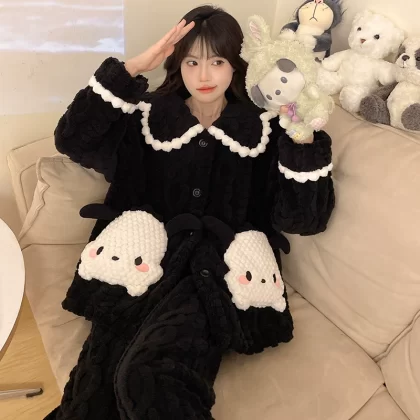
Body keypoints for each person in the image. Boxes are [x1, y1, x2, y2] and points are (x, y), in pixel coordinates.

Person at [45, 5, 335, 420]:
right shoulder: (146, 117)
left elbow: (304, 219)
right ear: (177, 64)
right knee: (91, 396)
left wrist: (303, 139)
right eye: (192, 62)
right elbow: (73, 140)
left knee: (149, 376)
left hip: (216, 278)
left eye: (217, 61)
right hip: (138, 265)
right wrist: (132, 69)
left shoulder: (266, 129)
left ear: (236, 65)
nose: (204, 76)